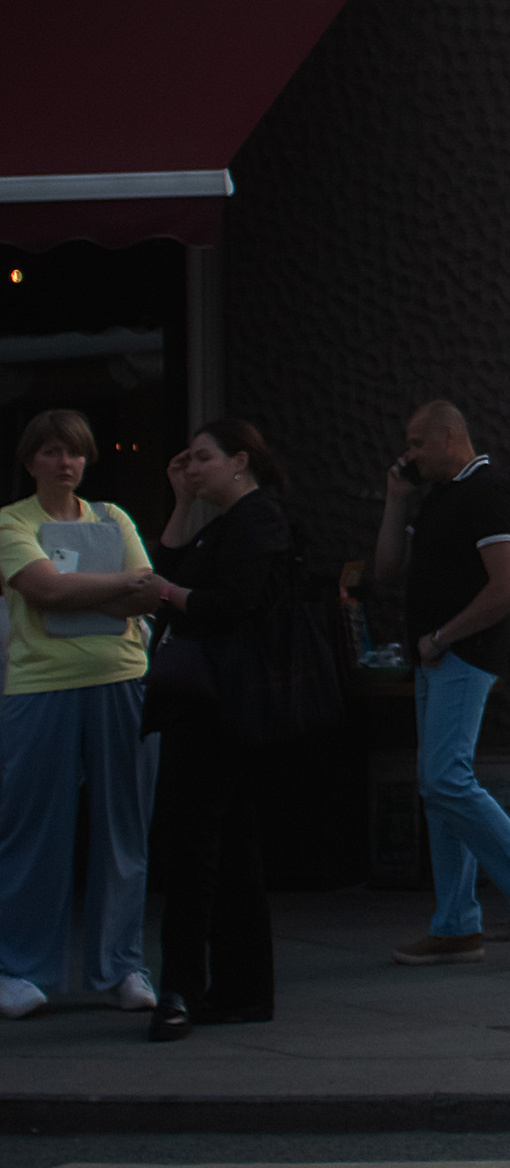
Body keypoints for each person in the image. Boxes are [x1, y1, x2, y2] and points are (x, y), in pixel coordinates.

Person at [371, 397, 510, 967]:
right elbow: (386, 571)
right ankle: (456, 925)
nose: (410, 454)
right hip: (435, 657)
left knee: (445, 780)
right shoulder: (439, 496)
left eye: (418, 443)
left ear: (450, 438)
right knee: (438, 788)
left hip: (462, 654)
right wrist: (395, 501)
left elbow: (509, 586)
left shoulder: (488, 491)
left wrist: (444, 637)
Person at [0, 407, 181, 1019]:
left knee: (123, 829)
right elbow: (45, 590)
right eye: (52, 451)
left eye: (75, 451)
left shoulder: (113, 518)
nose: (66, 462)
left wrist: (88, 595)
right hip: (39, 687)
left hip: (122, 679)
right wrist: (112, 590)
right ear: (30, 460)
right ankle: (22, 969)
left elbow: (148, 592)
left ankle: (122, 966)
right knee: (33, 832)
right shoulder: (11, 522)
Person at [143, 418, 299, 1040]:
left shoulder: (257, 521)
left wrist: (168, 592)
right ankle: (238, 988)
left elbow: (227, 605)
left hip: (219, 705)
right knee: (227, 846)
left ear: (240, 461)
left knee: (196, 846)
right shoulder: (225, 524)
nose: (193, 466)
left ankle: (184, 986)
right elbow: (171, 564)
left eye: (203, 458)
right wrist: (181, 503)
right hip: (213, 702)